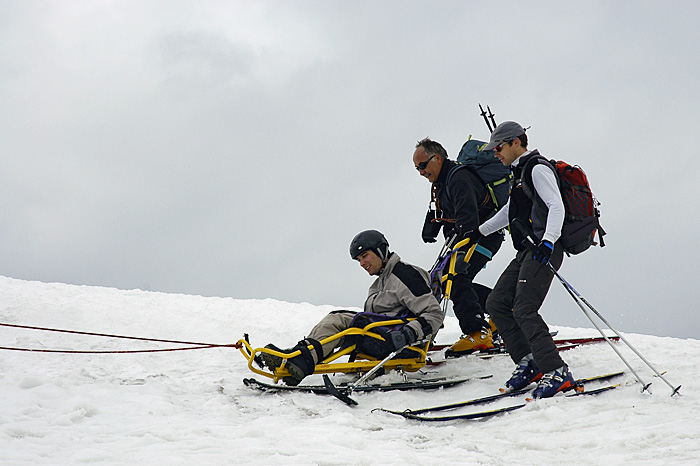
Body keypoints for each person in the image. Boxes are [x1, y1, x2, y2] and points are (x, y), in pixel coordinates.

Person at [262, 230, 444, 385]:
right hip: (380, 334)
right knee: (339, 321)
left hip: (395, 341)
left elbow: (434, 314)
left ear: (381, 251)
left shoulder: (404, 275)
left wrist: (407, 334)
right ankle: (298, 357)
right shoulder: (379, 283)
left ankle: (300, 360)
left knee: (339, 320)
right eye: (359, 259)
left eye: (365, 256)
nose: (362, 263)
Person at [476, 121, 575, 399]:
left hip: (543, 248)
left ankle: (556, 371)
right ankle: (529, 361)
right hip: (528, 250)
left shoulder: (537, 167)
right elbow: (510, 211)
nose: (495, 153)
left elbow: (556, 205)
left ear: (516, 142)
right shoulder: (519, 173)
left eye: (498, 147)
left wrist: (548, 240)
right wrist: (478, 231)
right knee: (496, 303)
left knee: (524, 308)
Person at [413, 138, 504, 355]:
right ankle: (502, 311)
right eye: (417, 168)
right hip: (466, 238)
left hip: (483, 236)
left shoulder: (459, 177)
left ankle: (477, 333)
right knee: (447, 280)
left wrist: (461, 243)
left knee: (455, 278)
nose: (421, 172)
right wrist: (431, 228)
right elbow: (446, 213)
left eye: (423, 166)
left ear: (437, 159)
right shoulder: (442, 183)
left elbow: (468, 218)